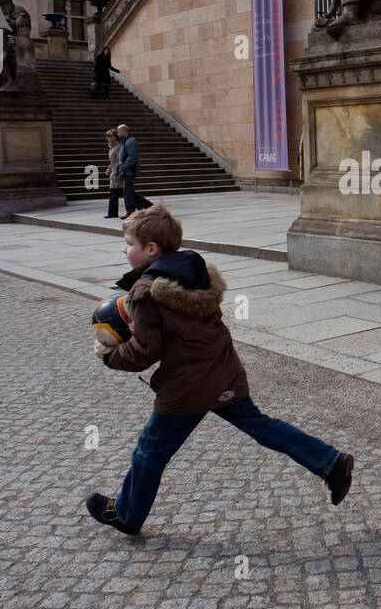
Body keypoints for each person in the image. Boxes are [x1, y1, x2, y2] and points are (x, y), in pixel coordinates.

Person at [84, 204, 355, 535]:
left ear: (151, 249)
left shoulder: (145, 292)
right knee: (261, 426)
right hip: (223, 371)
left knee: (149, 451)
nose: (124, 249)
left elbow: (145, 352)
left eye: (128, 243)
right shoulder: (193, 272)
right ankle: (330, 463)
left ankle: (126, 514)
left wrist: (108, 353)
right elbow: (180, 330)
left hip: (188, 388)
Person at [115, 123, 152, 218]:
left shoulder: (130, 141)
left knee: (127, 192)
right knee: (129, 191)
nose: (117, 134)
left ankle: (132, 211)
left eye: (118, 131)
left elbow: (133, 157)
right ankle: (145, 205)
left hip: (129, 170)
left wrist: (123, 167)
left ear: (123, 131)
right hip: (126, 170)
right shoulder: (125, 141)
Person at [104, 128, 123, 219]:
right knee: (115, 192)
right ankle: (112, 213)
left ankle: (144, 204)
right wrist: (109, 169)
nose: (109, 139)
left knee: (119, 192)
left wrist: (118, 171)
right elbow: (112, 161)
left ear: (116, 137)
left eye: (111, 137)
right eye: (108, 137)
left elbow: (120, 160)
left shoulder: (119, 146)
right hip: (114, 172)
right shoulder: (111, 147)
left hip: (118, 172)